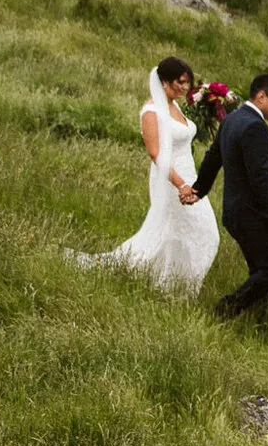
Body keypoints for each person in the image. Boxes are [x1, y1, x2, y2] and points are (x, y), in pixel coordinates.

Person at [69, 57, 221, 295]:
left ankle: (174, 284)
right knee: (201, 232)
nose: (184, 87)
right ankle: (176, 287)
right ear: (164, 81)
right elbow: (156, 153)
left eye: (186, 83)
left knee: (194, 233)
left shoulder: (176, 106)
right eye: (179, 82)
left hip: (190, 176)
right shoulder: (151, 111)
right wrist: (181, 184)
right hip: (172, 180)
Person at [192, 72, 268, 333]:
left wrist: (199, 189)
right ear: (261, 97)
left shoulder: (233, 119)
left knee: (260, 270)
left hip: (234, 212)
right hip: (252, 215)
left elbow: (213, 157)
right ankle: (223, 311)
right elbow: (260, 178)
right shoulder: (255, 127)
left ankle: (260, 326)